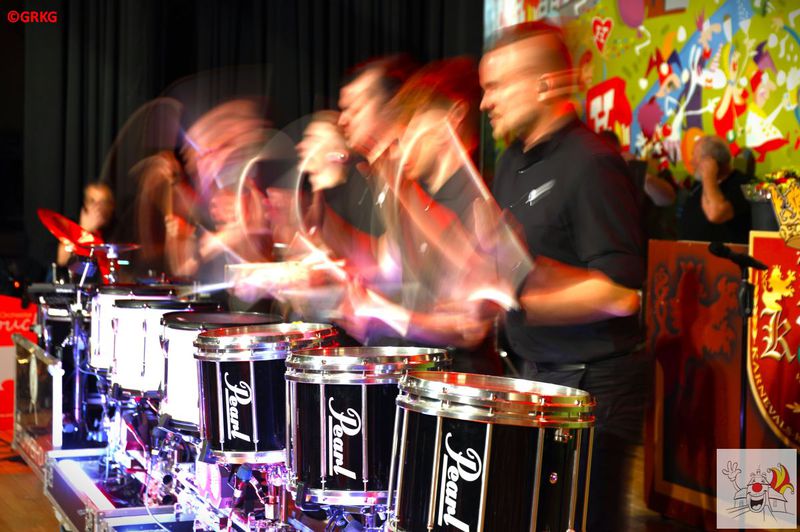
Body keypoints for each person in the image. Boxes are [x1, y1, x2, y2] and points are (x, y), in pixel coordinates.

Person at [480, 21, 647, 530]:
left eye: (496, 86)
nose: (486, 102)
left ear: (544, 84)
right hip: (535, 375)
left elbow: (621, 294)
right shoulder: (511, 161)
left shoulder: (592, 164)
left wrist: (519, 300)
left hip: (590, 387)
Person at [678, 134, 751, 244]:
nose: (692, 162)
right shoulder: (699, 184)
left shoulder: (742, 184)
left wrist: (709, 176)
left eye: (695, 156)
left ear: (710, 161)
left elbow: (715, 214)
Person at [56, 182, 115, 267]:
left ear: (111, 205)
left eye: (102, 202)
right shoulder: (69, 226)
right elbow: (61, 260)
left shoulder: (119, 230)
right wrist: (84, 230)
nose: (97, 207)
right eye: (92, 201)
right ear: (85, 204)